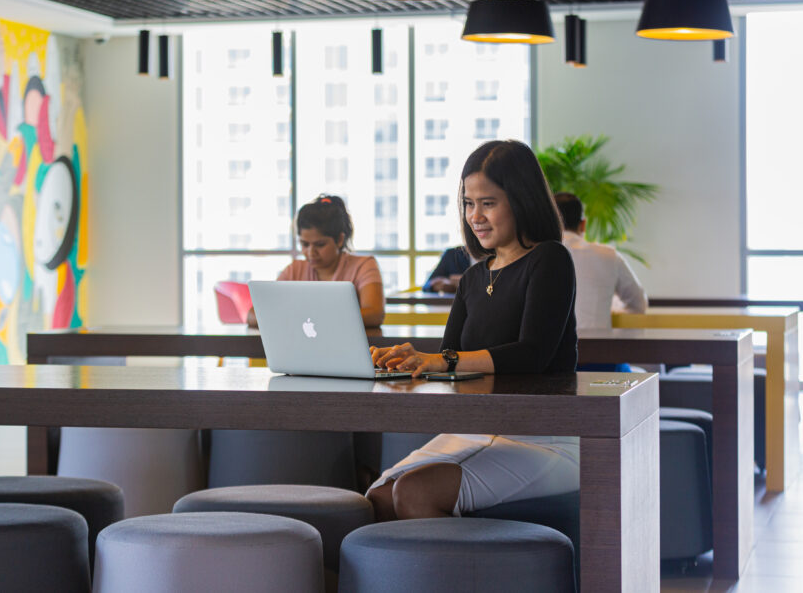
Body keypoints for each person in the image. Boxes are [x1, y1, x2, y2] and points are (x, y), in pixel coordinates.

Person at [366, 140, 578, 522]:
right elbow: (446, 362)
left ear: (522, 200)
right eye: (468, 203)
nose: (474, 216)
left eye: (488, 203)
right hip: (479, 430)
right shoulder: (473, 277)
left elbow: (532, 355)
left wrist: (441, 360)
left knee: (414, 492)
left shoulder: (549, 259)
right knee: (379, 496)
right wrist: (400, 364)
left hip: (543, 437)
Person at [247, 194, 385, 328]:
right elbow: (252, 315)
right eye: (305, 244)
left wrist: (302, 318)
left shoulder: (363, 266)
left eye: (320, 245)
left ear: (339, 240)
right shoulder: (294, 270)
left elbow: (375, 313)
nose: (310, 252)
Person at [554, 192, 647, 330]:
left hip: (552, 350)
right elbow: (638, 304)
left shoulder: (535, 256)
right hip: (600, 347)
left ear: (550, 223)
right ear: (583, 224)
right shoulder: (609, 256)